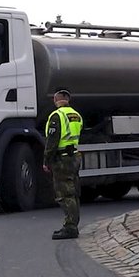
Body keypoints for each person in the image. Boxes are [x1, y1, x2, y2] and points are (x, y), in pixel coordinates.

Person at [43, 89, 83, 240]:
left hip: (62, 159)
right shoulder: (76, 115)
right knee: (73, 192)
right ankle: (74, 224)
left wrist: (46, 160)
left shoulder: (56, 116)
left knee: (64, 194)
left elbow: (52, 141)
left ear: (55, 99)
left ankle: (70, 227)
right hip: (74, 157)